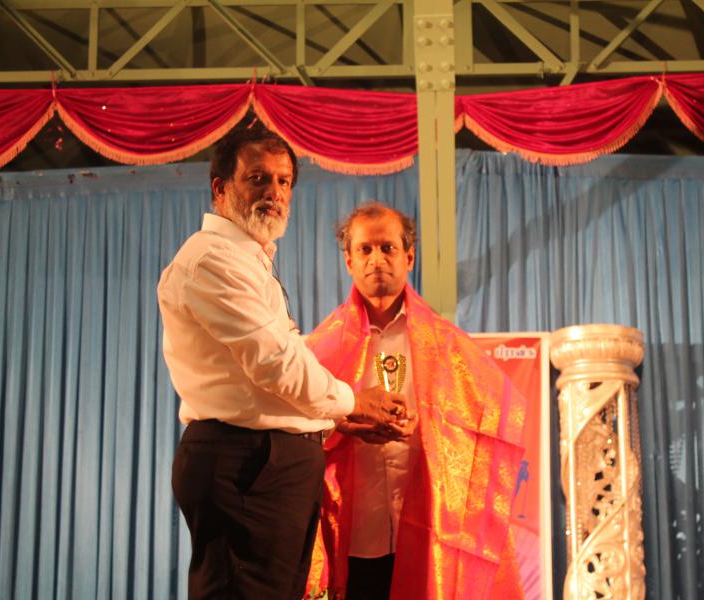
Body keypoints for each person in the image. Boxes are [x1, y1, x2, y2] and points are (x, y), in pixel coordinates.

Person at [157, 122, 407, 599]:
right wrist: (354, 403)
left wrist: (336, 421)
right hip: (246, 465)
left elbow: (267, 378)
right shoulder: (212, 260)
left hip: (267, 465)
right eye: (258, 178)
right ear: (220, 188)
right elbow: (275, 365)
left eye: (283, 181)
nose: (274, 192)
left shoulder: (251, 260)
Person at [304, 202, 526, 600]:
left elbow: (495, 419)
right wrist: (342, 424)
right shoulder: (320, 350)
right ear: (349, 261)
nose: (376, 260)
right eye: (365, 249)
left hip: (431, 529)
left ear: (409, 257)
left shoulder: (447, 345)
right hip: (358, 532)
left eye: (387, 248)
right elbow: (298, 429)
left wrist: (433, 428)